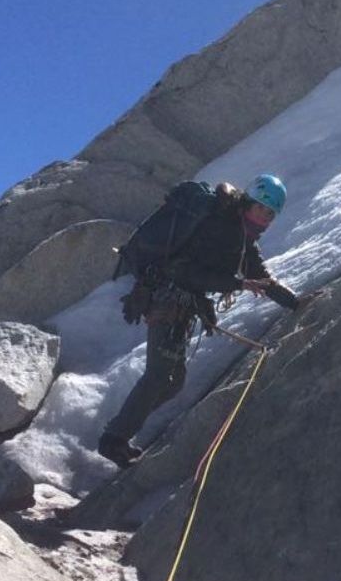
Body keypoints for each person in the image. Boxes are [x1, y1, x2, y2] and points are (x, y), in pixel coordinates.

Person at [97, 173, 304, 467]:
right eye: (262, 208)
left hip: (182, 307)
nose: (265, 217)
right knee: (159, 374)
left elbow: (261, 277)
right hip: (167, 298)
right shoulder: (220, 227)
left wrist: (294, 302)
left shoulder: (242, 238)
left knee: (173, 383)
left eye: (270, 213)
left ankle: (119, 431)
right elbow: (183, 271)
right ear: (248, 202)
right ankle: (113, 440)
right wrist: (236, 284)